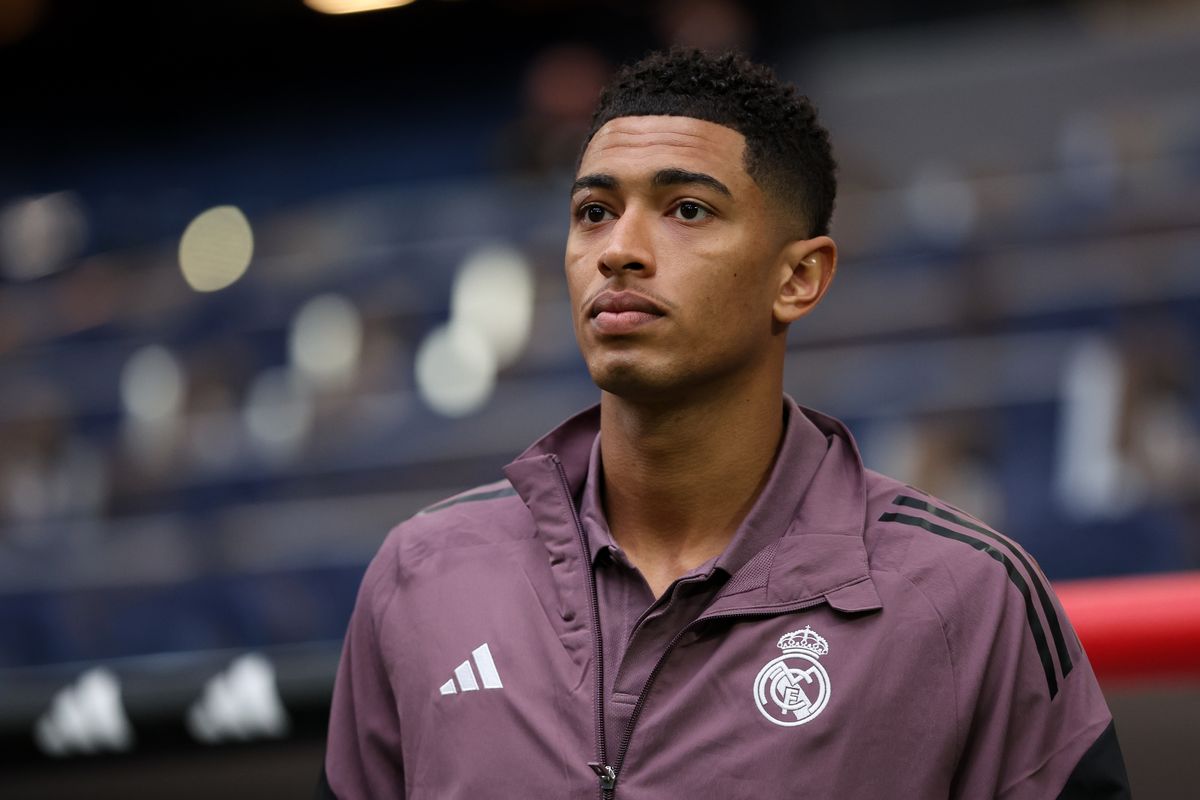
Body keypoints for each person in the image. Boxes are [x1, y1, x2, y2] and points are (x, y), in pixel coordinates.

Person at [320, 48, 1130, 799]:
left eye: (686, 209)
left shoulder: (967, 597)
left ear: (799, 277)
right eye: (594, 211)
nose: (618, 251)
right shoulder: (421, 573)